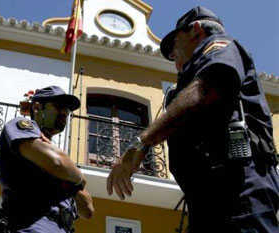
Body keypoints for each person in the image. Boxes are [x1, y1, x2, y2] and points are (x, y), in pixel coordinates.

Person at [107, 6, 279, 233]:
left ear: (196, 31)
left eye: (174, 47)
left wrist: (141, 142)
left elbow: (207, 89)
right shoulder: (187, 81)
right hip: (208, 199)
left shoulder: (219, 46)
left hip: (239, 189)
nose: (173, 58)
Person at [0, 86, 94, 233]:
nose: (64, 113)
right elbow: (57, 163)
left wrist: (71, 175)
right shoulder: (20, 126)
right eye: (59, 107)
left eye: (67, 110)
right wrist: (75, 178)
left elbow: (88, 210)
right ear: (37, 108)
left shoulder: (56, 154)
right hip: (32, 227)